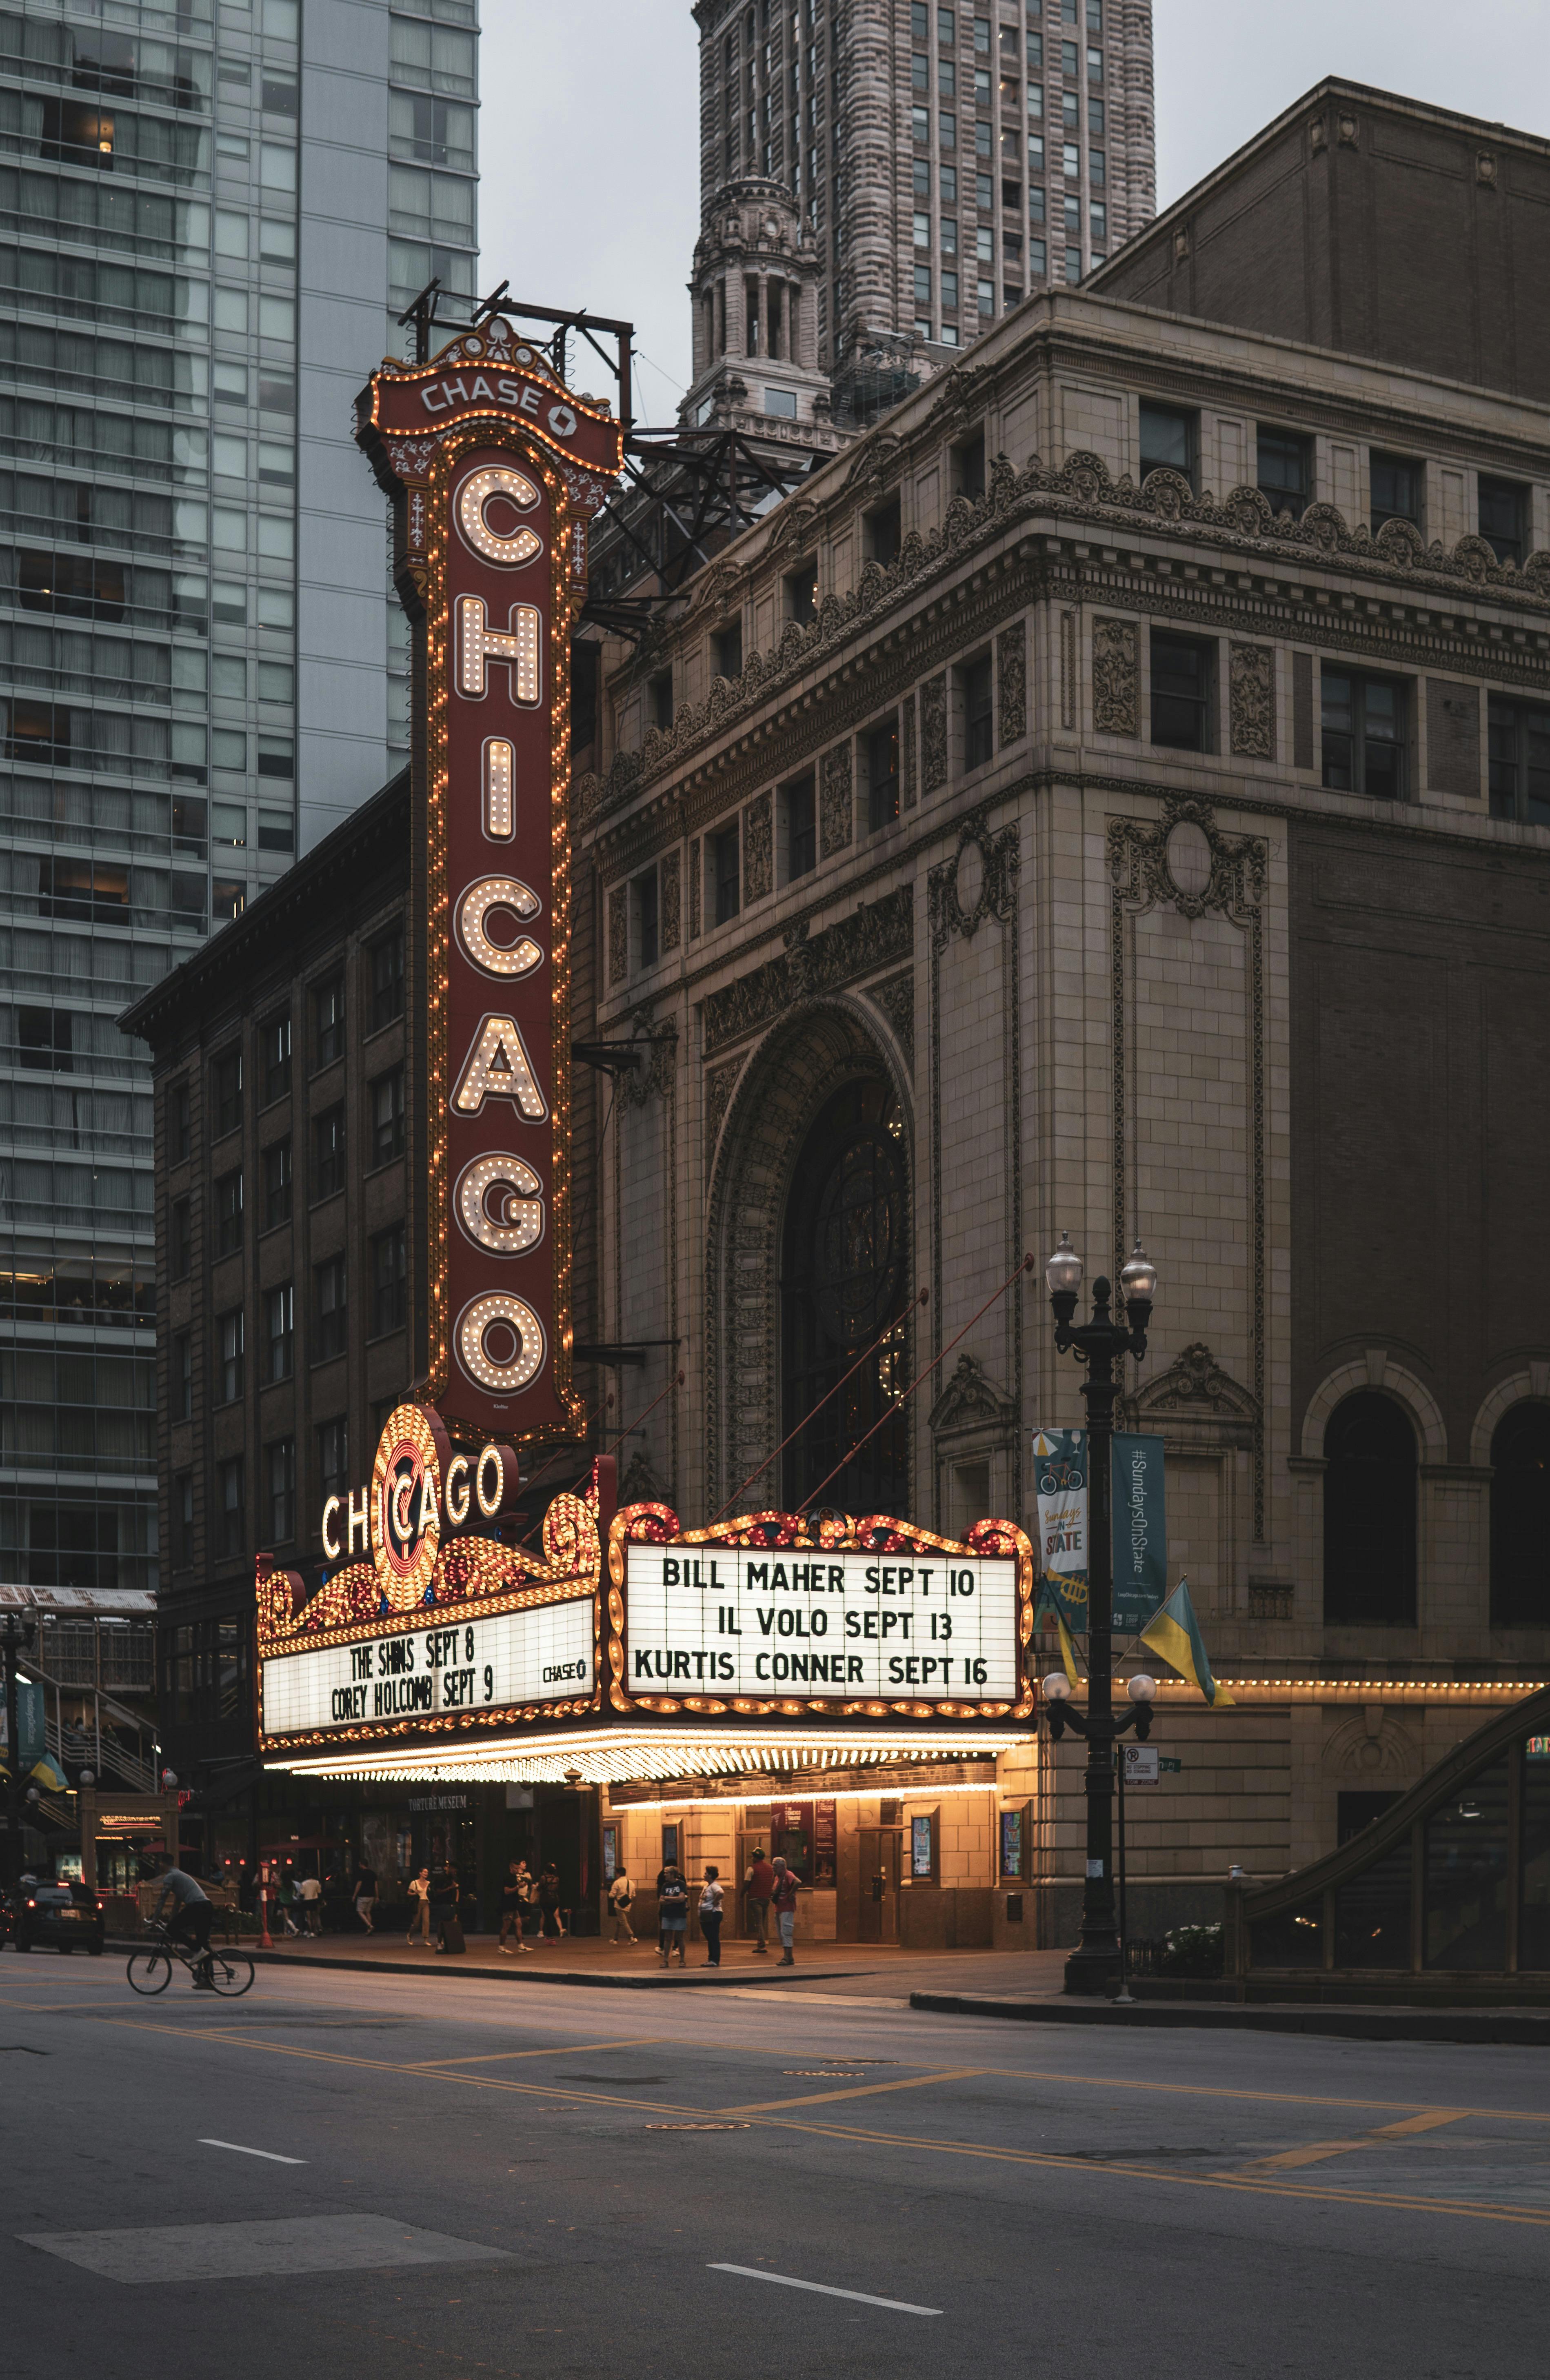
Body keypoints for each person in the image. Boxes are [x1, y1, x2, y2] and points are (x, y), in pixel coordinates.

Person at [155, 1860, 214, 1987]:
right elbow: (177, 1904)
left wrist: (155, 1919)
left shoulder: (170, 1876)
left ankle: (196, 1950)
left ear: (165, 1863)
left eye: (160, 1863)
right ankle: (209, 1980)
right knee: (204, 1945)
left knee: (172, 1930)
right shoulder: (180, 1876)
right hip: (206, 1906)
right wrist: (171, 1920)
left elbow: (162, 1899)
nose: (159, 1866)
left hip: (197, 1906)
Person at [771, 1855, 800, 1966]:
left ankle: (788, 1958)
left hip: (787, 1908)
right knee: (781, 1933)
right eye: (773, 1866)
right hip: (779, 1907)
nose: (773, 1868)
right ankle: (787, 1957)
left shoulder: (788, 1874)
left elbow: (798, 1882)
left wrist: (790, 1894)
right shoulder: (778, 1877)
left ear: (782, 1867)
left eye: (776, 1866)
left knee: (786, 1932)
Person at [745, 1846, 775, 1954]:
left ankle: (761, 1945)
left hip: (755, 1898)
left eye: (754, 1856)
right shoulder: (770, 1868)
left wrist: (741, 1896)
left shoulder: (751, 1869)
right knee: (762, 1921)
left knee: (759, 1923)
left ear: (757, 1857)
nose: (752, 1858)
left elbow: (746, 1884)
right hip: (766, 1898)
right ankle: (761, 1942)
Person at [658, 1864, 688, 1967]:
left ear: (672, 1874)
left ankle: (682, 1960)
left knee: (680, 1938)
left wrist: (667, 1898)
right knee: (667, 1938)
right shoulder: (665, 1886)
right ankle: (666, 1960)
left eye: (666, 1873)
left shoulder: (681, 1884)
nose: (665, 1875)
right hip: (667, 1915)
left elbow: (682, 1899)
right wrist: (674, 1900)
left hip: (679, 1914)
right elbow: (661, 1901)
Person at [498, 1860, 531, 1956]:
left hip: (513, 1905)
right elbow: (507, 1891)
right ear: (511, 1868)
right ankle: (501, 1947)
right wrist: (518, 1887)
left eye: (518, 1868)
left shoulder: (514, 1877)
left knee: (519, 1924)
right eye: (516, 1868)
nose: (517, 1870)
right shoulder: (508, 1877)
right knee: (506, 1926)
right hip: (508, 1906)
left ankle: (521, 1946)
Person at [698, 1865, 724, 1967]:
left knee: (713, 1937)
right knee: (710, 1937)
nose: (704, 1875)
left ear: (711, 1875)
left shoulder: (714, 1886)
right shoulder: (707, 1886)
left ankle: (714, 1960)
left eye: (706, 1873)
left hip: (713, 1913)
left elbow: (721, 1893)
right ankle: (711, 1958)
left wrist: (715, 1902)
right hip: (707, 1914)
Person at [608, 1866, 637, 1944]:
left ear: (619, 1874)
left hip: (619, 1906)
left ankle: (632, 1937)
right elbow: (634, 1895)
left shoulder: (617, 1883)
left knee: (624, 1922)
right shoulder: (631, 1883)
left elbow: (612, 1896)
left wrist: (609, 1894)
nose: (616, 1875)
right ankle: (615, 1939)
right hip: (628, 1905)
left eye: (616, 1874)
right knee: (619, 1922)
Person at [537, 1862, 564, 1942]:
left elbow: (539, 1888)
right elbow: (557, 1888)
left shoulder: (543, 1878)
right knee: (550, 1917)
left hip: (545, 1899)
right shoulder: (557, 1879)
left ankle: (550, 1937)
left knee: (547, 1917)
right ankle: (550, 1937)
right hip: (555, 1900)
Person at [405, 1866, 432, 1946]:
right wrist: (415, 1893)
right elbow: (408, 1893)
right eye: (424, 1872)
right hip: (418, 1903)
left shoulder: (429, 1884)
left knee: (426, 1921)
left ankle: (425, 1939)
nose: (426, 1874)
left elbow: (431, 1893)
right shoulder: (415, 1883)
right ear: (420, 1873)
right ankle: (410, 1935)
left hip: (426, 1903)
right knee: (416, 1923)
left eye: (427, 1872)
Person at [353, 1861, 377, 1937]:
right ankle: (369, 1930)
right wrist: (377, 1896)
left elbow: (359, 1885)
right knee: (368, 1912)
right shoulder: (373, 1874)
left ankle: (369, 1926)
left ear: (362, 1865)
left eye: (359, 1864)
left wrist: (354, 1895)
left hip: (363, 1895)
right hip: (372, 1895)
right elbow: (376, 1886)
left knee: (360, 1911)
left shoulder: (362, 1873)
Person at [297, 1871, 323, 1937]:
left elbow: (302, 1893)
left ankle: (310, 1931)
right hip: (314, 1900)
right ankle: (314, 1931)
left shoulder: (304, 1883)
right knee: (314, 1917)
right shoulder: (317, 1882)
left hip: (307, 1900)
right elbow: (319, 1891)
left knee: (308, 1917)